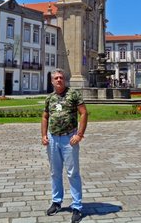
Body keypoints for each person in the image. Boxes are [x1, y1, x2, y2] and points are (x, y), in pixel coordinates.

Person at [41, 69, 88, 223]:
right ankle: (56, 202)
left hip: (69, 139)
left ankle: (77, 206)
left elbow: (84, 113)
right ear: (52, 82)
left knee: (72, 173)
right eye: (56, 78)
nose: (59, 80)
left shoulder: (73, 94)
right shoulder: (50, 98)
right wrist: (43, 135)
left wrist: (79, 135)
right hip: (53, 139)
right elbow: (45, 116)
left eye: (61, 77)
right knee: (55, 172)